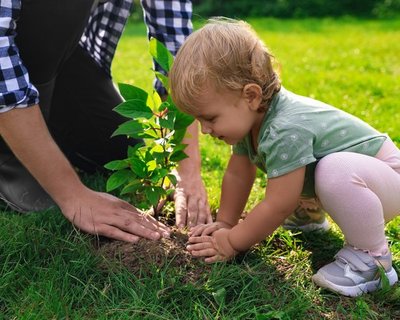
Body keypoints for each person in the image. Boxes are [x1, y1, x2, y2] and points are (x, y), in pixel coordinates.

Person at [169, 18, 400, 297]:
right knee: (318, 169)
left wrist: (232, 241)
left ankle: (373, 259)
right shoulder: (251, 118)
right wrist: (226, 223)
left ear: (251, 96)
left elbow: (279, 203)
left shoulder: (284, 127)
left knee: (333, 169)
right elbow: (238, 174)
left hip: (387, 179)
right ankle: (310, 215)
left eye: (210, 118)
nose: (204, 130)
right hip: (367, 182)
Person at [0, 0, 211, 243]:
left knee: (121, 148)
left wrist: (186, 171)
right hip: (11, 56)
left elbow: (174, 47)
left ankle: (41, 128)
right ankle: (9, 157)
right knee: (61, 7)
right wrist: (73, 194)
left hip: (64, 58)